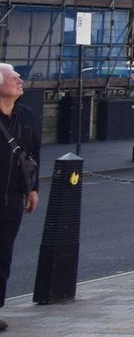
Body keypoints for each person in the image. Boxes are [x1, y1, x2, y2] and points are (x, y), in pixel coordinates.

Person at [0, 63, 40, 330]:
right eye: (13, 77)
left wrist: (32, 189)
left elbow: (32, 155)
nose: (19, 80)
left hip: (11, 199)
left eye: (18, 77)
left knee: (3, 255)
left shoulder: (25, 116)